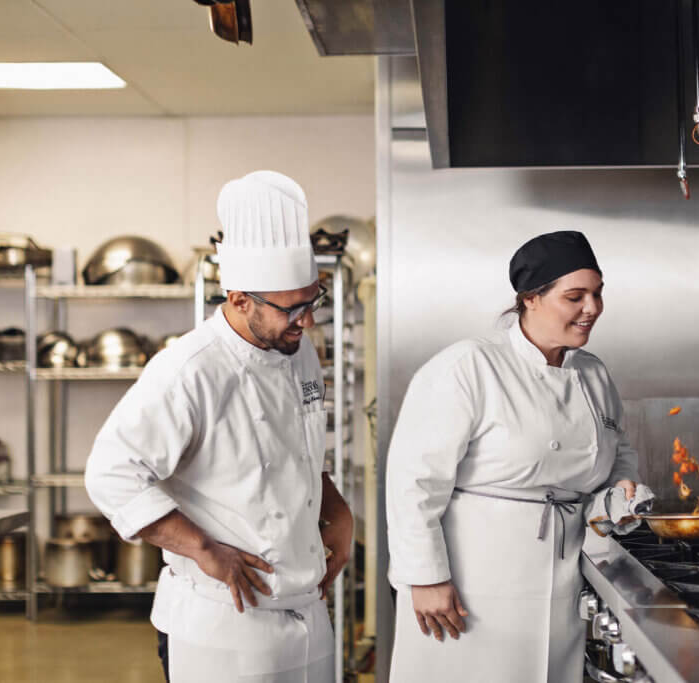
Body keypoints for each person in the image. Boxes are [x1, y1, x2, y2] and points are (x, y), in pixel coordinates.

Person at [84, 170, 353, 683]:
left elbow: (292, 446)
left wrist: (333, 504)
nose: (308, 321)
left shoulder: (298, 351)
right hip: (224, 624)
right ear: (239, 299)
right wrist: (202, 548)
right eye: (292, 308)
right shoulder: (189, 369)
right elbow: (110, 474)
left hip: (308, 613)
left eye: (312, 300)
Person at [386, 230, 639, 682]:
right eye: (575, 296)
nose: (593, 308)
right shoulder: (470, 366)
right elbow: (413, 481)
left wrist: (621, 490)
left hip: (563, 579)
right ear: (531, 299)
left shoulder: (594, 373)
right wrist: (424, 578)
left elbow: (619, 455)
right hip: (472, 584)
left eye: (598, 294)